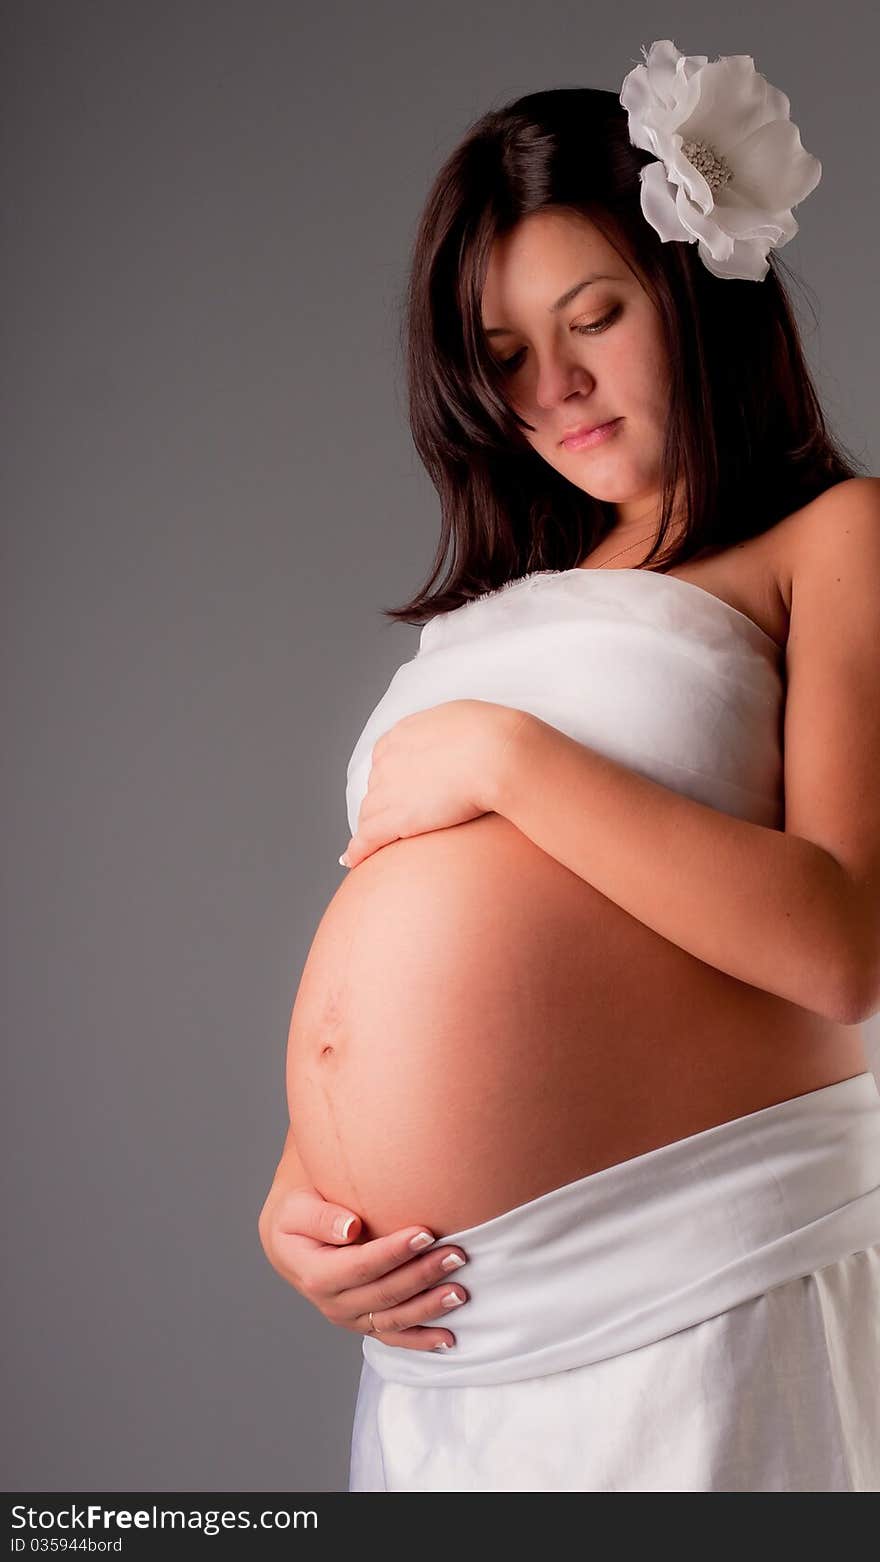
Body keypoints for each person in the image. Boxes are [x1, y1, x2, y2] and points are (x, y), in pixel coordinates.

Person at [259, 40, 880, 1492]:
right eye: (504, 357)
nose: (557, 386)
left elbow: (843, 944)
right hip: (444, 1336)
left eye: (595, 315)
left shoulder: (832, 536)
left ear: (696, 293)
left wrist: (502, 755)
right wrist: (298, 1189)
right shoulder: (504, 608)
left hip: (689, 1289)